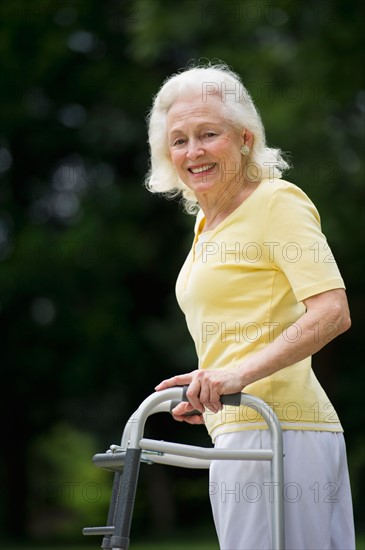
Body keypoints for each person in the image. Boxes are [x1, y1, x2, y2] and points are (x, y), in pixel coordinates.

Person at [144, 61, 356, 550]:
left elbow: (332, 311)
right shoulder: (206, 225)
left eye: (208, 134)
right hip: (239, 428)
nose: (193, 151)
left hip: (280, 429)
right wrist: (210, 386)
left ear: (244, 138)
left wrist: (237, 376)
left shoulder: (275, 202)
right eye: (179, 140)